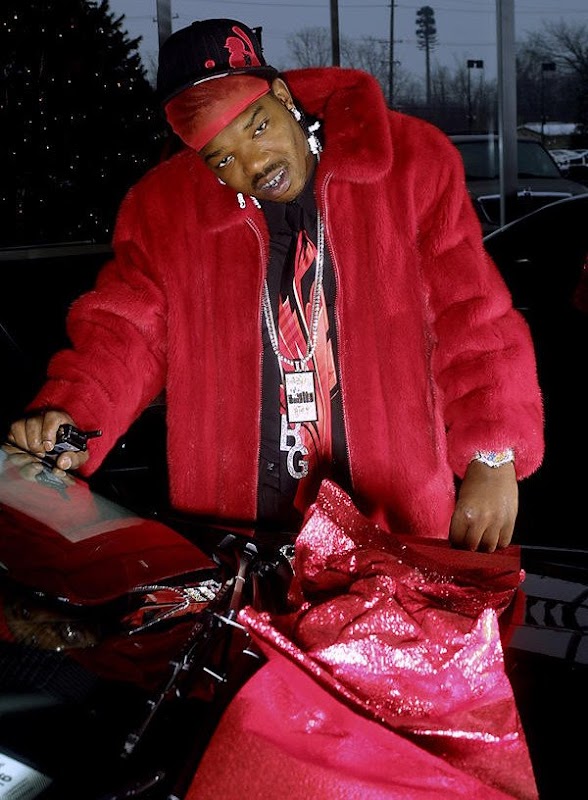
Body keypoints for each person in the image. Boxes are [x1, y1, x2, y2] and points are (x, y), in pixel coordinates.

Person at [6, 18, 544, 552]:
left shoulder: (409, 166)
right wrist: (70, 418)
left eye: (258, 127)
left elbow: (472, 317)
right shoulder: (166, 213)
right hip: (238, 532)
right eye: (222, 158)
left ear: (283, 96)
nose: (255, 164)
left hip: (390, 522)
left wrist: (493, 455)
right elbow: (125, 335)